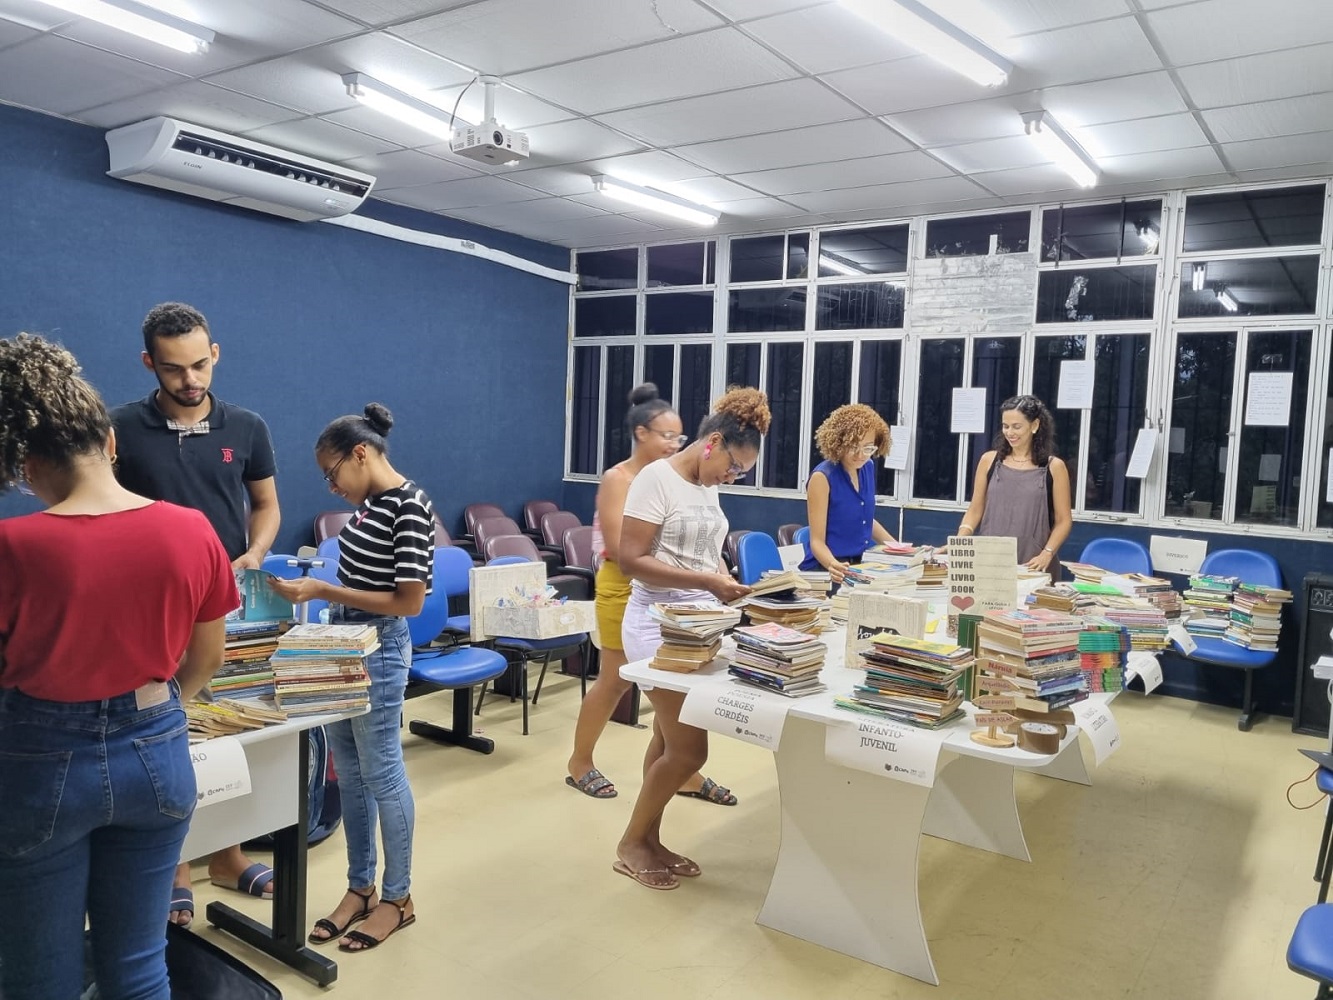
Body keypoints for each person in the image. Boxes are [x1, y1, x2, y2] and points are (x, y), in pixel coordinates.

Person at [0, 333, 237, 1000]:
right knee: (139, 966)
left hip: (39, 765)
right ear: (109, 441)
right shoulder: (192, 530)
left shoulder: (13, 546)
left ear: (26, 462)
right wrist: (160, 708)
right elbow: (208, 657)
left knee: (37, 975)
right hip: (158, 753)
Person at [110, 301, 281, 923]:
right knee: (166, 736)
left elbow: (265, 504)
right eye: (174, 368)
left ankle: (227, 855)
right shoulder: (119, 428)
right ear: (149, 363)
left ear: (215, 355)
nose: (190, 381)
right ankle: (175, 864)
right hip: (150, 612)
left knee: (227, 727)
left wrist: (255, 553)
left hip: (227, 604)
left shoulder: (248, 426)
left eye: (200, 364)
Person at [268, 403, 431, 952]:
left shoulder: (409, 505)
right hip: (343, 643)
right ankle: (360, 887)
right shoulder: (372, 504)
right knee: (351, 774)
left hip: (379, 648)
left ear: (359, 453)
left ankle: (398, 897)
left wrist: (323, 591)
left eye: (331, 473)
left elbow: (408, 603)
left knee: (382, 774)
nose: (331, 486)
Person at [614, 387, 770, 890]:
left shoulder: (706, 484)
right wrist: (708, 583)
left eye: (740, 473)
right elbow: (631, 558)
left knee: (665, 740)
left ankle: (650, 840)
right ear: (713, 442)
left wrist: (728, 585)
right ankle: (631, 842)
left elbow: (702, 552)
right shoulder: (655, 480)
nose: (732, 477)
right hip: (656, 627)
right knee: (689, 753)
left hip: (698, 626)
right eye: (734, 467)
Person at [565, 383, 737, 806]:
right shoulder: (620, 478)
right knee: (614, 681)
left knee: (672, 685)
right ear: (642, 433)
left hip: (675, 590)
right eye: (666, 435)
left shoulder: (685, 479)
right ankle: (580, 762)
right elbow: (626, 545)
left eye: (679, 437)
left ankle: (682, 769)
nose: (674, 443)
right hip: (625, 588)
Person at [956, 394, 1072, 571]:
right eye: (1005, 426)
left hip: (1034, 565)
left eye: (1017, 427)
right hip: (989, 563)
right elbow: (975, 509)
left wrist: (1047, 553)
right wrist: (960, 541)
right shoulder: (989, 461)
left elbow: (1063, 520)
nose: (1010, 433)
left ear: (1035, 425)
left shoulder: (1054, 467)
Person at [801, 403, 896, 584]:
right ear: (839, 442)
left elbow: (865, 519)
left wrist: (899, 549)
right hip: (826, 569)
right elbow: (817, 542)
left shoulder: (867, 467)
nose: (860, 455)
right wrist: (833, 565)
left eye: (868, 448)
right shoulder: (822, 477)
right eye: (853, 447)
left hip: (859, 566)